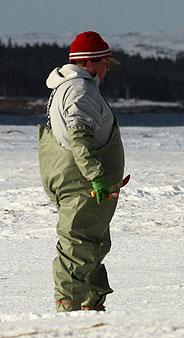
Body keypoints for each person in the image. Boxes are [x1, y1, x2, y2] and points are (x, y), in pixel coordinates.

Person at [38, 31, 124, 312]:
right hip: (81, 182)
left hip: (71, 177)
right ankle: (71, 315)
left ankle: (90, 307)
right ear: (89, 62)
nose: (107, 69)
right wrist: (96, 176)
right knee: (79, 245)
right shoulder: (81, 90)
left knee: (89, 243)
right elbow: (79, 135)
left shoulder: (65, 87)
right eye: (104, 63)